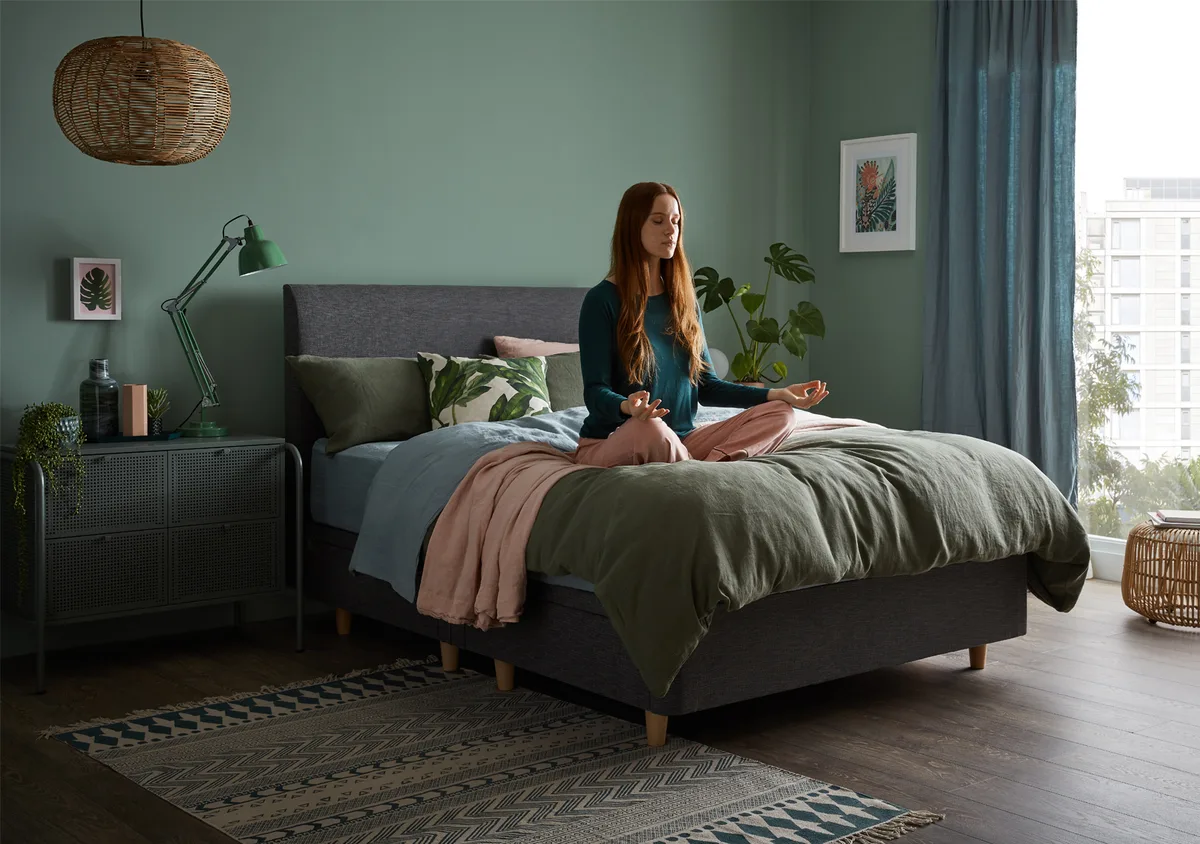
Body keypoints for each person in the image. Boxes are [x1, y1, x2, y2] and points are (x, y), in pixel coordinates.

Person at [575, 181, 829, 468]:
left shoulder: (683, 300)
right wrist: (627, 407)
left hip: (683, 439)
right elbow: (595, 391)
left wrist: (775, 394)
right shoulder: (601, 301)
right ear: (632, 226)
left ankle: (704, 469)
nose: (671, 230)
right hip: (617, 437)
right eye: (658, 221)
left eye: (676, 221)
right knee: (650, 429)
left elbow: (707, 386)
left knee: (781, 413)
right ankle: (695, 470)